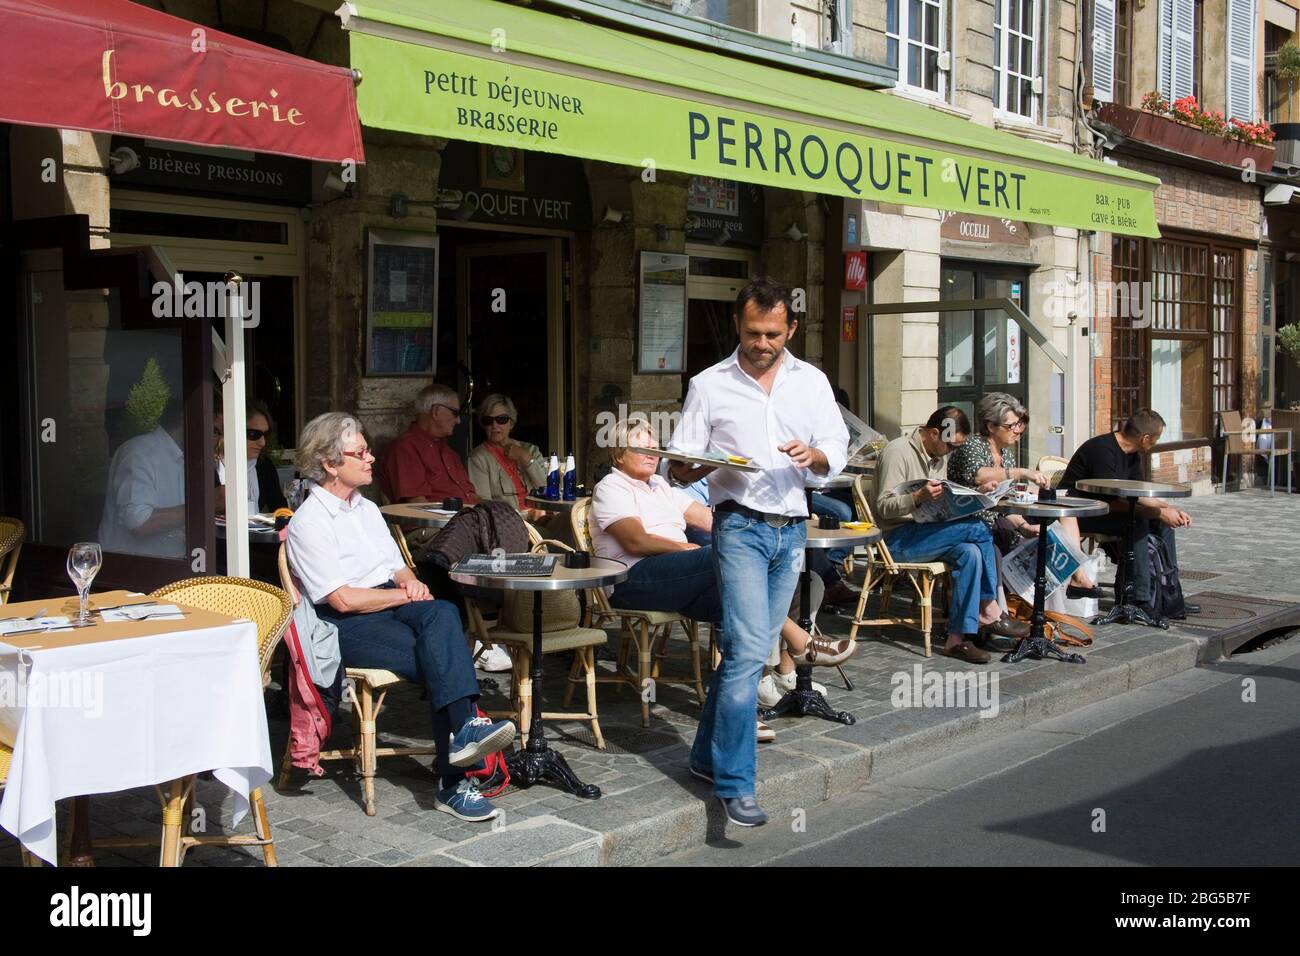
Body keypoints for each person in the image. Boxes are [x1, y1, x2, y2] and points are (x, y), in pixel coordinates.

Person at [666, 276, 849, 828]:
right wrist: (708, 462)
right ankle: (735, 783)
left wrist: (814, 454)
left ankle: (702, 757)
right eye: (752, 332)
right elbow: (679, 465)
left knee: (752, 652)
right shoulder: (708, 384)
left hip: (791, 527)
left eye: (772, 333)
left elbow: (837, 450)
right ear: (737, 327)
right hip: (738, 526)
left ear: (790, 328)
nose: (762, 343)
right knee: (748, 650)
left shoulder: (812, 381)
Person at [286, 411, 515, 823]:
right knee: (441, 656)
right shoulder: (310, 521)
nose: (371, 458)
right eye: (360, 453)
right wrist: (400, 595)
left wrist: (412, 583)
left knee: (444, 610)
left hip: (389, 604)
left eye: (368, 449)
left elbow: (398, 567)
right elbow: (341, 600)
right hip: (345, 623)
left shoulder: (368, 509)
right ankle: (455, 780)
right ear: (330, 463)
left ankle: (464, 737)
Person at [593, 419, 853, 672]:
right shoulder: (612, 487)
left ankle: (773, 677)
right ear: (619, 455)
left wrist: (758, 531)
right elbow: (636, 541)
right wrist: (685, 549)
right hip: (634, 580)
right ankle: (801, 645)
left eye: (655, 448)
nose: (652, 455)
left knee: (766, 590)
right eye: (642, 449)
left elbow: (709, 519)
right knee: (727, 558)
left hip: (678, 582)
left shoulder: (659, 485)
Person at [872, 406, 1029, 664]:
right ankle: (988, 607)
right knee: (979, 529)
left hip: (925, 532)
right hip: (895, 539)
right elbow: (883, 508)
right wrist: (917, 498)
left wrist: (979, 494)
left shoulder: (939, 455)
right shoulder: (898, 452)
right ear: (935, 433)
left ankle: (957, 639)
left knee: (971, 553)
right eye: (952, 447)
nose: (953, 453)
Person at [946, 392, 1100, 594]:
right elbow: (979, 476)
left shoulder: (1006, 456)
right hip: (973, 524)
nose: (1018, 431)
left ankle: (1074, 579)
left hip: (999, 523)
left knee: (1062, 519)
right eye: (1011, 426)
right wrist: (1023, 472)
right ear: (991, 426)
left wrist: (1024, 526)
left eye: (1019, 424)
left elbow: (1006, 502)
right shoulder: (973, 446)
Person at [1059, 408, 1197, 616]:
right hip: (1079, 514)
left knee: (1160, 523)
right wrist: (1156, 512)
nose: (1156, 444)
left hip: (1105, 510)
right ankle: (1139, 600)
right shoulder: (1102, 451)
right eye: (1156, 439)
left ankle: (1169, 595)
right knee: (1138, 521)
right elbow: (1108, 501)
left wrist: (1167, 509)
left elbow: (1137, 492)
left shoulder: (1132, 454)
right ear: (1145, 438)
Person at [99, 398, 186, 557]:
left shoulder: (187, 457)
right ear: (183, 418)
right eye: (215, 430)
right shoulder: (140, 453)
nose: (219, 440)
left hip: (176, 567)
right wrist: (203, 507)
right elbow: (139, 523)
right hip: (130, 573)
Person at [378, 384, 479, 506]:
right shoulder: (406, 448)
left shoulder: (449, 452)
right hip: (441, 523)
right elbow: (416, 506)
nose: (458, 420)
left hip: (470, 519)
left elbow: (471, 496)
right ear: (436, 411)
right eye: (455, 413)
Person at [467, 393, 549, 522]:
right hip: (509, 524)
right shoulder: (478, 458)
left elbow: (548, 488)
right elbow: (483, 506)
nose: (494, 426)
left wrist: (525, 458)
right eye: (488, 421)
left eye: (501, 419)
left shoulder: (530, 450)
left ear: (511, 423)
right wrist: (527, 515)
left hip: (543, 517)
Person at [214, 399, 288, 515]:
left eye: (265, 435)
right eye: (254, 434)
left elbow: (280, 509)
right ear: (233, 431)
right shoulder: (212, 466)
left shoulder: (263, 465)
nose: (262, 442)